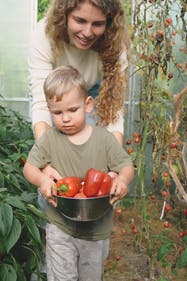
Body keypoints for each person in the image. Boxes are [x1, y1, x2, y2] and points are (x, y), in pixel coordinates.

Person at [23, 65, 134, 280]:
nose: (65, 118)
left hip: (95, 229)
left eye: (72, 110)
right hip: (60, 226)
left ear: (88, 105)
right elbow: (29, 168)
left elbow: (126, 165)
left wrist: (122, 180)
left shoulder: (104, 139)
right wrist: (42, 180)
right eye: (57, 112)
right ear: (49, 110)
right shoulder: (49, 140)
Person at [28, 0, 131, 146]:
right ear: (64, 15)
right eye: (80, 20)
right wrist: (46, 159)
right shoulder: (44, 35)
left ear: (108, 24)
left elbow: (113, 109)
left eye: (97, 24)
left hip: (93, 90)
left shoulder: (115, 45)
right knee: (52, 145)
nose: (87, 33)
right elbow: (42, 103)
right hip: (53, 95)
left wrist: (115, 163)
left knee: (92, 146)